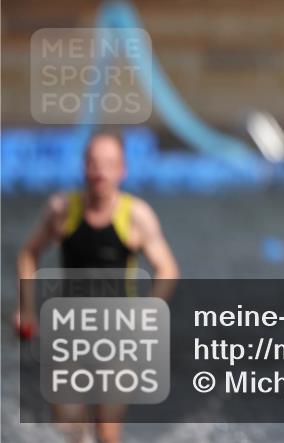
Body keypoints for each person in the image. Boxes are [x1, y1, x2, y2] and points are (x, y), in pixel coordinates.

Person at [14, 131, 180, 443]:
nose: (100, 171)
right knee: (69, 426)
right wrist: (26, 309)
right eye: (93, 163)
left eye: (108, 164)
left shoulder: (136, 216)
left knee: (106, 431)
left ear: (122, 170)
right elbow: (28, 252)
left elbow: (168, 269)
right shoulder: (62, 209)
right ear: (83, 167)